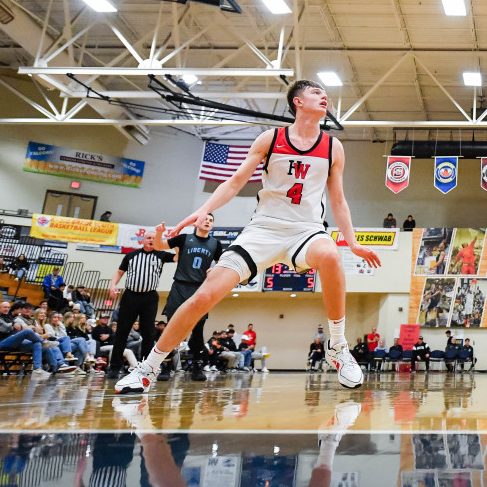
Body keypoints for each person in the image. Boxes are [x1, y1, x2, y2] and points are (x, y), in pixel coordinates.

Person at [116, 80, 382, 394]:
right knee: (203, 297)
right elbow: (235, 181)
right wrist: (200, 210)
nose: (324, 96)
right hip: (263, 230)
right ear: (297, 102)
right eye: (315, 92)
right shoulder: (270, 139)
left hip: (306, 230)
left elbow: (337, 200)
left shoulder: (333, 147)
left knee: (331, 256)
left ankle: (337, 346)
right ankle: (147, 369)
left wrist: (351, 241)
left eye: (325, 94)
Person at [151, 213, 223, 380]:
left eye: (211, 220)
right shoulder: (184, 239)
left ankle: (197, 368)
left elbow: (221, 264)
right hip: (180, 286)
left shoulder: (215, 244)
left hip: (200, 289)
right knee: (171, 328)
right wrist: (159, 233)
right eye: (205, 219)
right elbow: (158, 247)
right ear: (197, 222)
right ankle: (166, 366)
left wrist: (216, 270)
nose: (208, 222)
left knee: (198, 331)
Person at [106, 236, 173, 378]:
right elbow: (119, 272)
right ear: (142, 241)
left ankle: (146, 367)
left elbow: (178, 257)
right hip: (130, 296)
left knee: (148, 333)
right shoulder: (131, 255)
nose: (151, 239)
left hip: (150, 298)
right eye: (148, 237)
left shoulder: (161, 255)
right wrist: (113, 285)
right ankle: (114, 368)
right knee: (122, 332)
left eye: (153, 238)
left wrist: (173, 243)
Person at [0, 301, 49, 376]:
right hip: (3, 343)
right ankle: (44, 342)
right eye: (4, 307)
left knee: (36, 344)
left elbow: (17, 328)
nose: (6, 309)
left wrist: (18, 326)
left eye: (8, 307)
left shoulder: (9, 318)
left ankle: (37, 369)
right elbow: (6, 328)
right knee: (27, 331)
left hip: (15, 343)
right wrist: (15, 325)